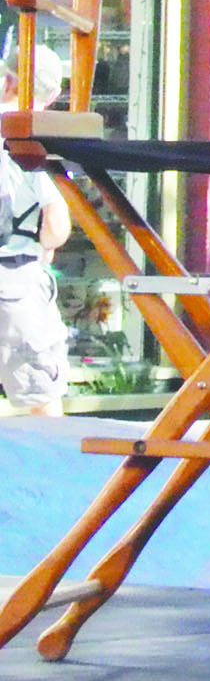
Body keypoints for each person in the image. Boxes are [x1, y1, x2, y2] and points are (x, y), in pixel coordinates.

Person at [0, 48, 72, 418]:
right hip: (13, 282)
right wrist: (45, 243)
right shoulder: (33, 144)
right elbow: (57, 226)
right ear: (54, 95)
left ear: (7, 81)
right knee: (40, 396)